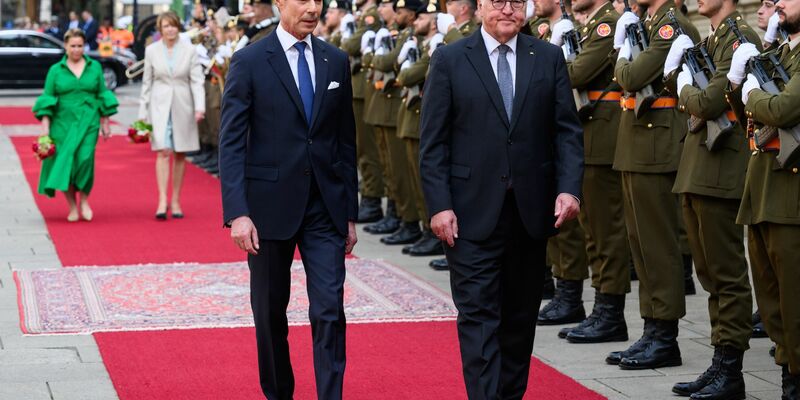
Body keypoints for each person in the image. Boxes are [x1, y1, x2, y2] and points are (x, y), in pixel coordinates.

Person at [419, 0, 583, 396]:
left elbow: (567, 132)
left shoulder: (547, 56)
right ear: (479, 9)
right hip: (469, 212)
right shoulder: (451, 59)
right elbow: (433, 142)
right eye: (497, 1)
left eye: (515, 1)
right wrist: (439, 205)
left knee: (519, 319)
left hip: (529, 212)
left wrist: (569, 188)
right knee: (478, 318)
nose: (507, 9)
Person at [218, 0, 358, 395]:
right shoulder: (249, 60)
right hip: (267, 209)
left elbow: (345, 142)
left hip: (325, 208)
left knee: (329, 310)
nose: (312, 7)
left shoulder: (335, 60)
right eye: (302, 0)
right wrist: (237, 212)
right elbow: (231, 143)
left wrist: (349, 212)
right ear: (279, 2)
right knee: (269, 314)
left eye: (319, 0)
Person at [662, 0, 759, 397]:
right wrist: (679, 77)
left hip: (721, 169)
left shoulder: (741, 38)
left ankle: (731, 369)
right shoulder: (717, 37)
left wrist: (680, 79)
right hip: (699, 167)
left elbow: (706, 102)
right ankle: (719, 360)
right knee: (709, 275)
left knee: (726, 275)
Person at [608, 0, 700, 370]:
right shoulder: (647, 23)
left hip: (658, 147)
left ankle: (665, 336)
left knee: (658, 247)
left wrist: (621, 52)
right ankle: (651, 328)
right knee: (641, 246)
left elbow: (628, 77)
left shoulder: (670, 27)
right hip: (637, 145)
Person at [548, 0, 632, 344]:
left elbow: (575, 73)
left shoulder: (606, 24)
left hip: (602, 138)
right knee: (593, 232)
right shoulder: (587, 26)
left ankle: (610, 313)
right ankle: (599, 308)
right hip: (588, 137)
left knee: (606, 232)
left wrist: (546, 62)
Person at [734, 0, 800, 395]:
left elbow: (783, 107)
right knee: (773, 301)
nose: (775, 5)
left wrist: (752, 92)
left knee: (794, 302)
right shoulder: (779, 52)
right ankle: (788, 375)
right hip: (762, 187)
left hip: (791, 194)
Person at [31, 28, 118, 222]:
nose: (77, 50)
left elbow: (102, 94)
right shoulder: (55, 70)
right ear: (65, 46)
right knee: (67, 164)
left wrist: (106, 123)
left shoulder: (94, 67)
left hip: (89, 120)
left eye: (80, 46)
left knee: (85, 160)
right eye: (73, 46)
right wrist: (45, 130)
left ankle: (84, 200)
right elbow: (47, 98)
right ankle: (71, 206)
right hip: (62, 122)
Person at [138, 12, 206, 220]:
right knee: (162, 151)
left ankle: (176, 199)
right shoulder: (151, 50)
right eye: (166, 26)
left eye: (173, 26)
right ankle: (161, 199)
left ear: (178, 27)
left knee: (180, 153)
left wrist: (199, 107)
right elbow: (146, 83)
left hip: (183, 104)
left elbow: (197, 80)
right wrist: (142, 114)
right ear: (160, 29)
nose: (170, 30)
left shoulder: (190, 50)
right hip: (159, 106)